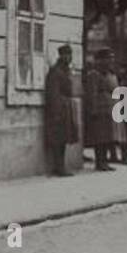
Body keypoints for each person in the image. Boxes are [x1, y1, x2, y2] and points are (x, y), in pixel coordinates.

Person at [43, 43, 78, 176]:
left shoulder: (65, 70)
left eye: (70, 55)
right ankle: (58, 167)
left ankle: (61, 166)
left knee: (64, 138)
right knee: (58, 139)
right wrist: (57, 112)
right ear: (61, 55)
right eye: (66, 55)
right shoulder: (55, 71)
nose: (69, 58)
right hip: (58, 110)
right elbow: (53, 93)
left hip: (66, 108)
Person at [84, 49, 117, 171]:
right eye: (108, 58)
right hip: (99, 110)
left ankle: (105, 161)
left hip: (109, 109)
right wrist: (93, 110)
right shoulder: (94, 75)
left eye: (111, 58)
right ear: (100, 60)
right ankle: (100, 162)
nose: (111, 61)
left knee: (107, 137)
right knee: (100, 138)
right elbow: (91, 93)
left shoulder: (107, 74)